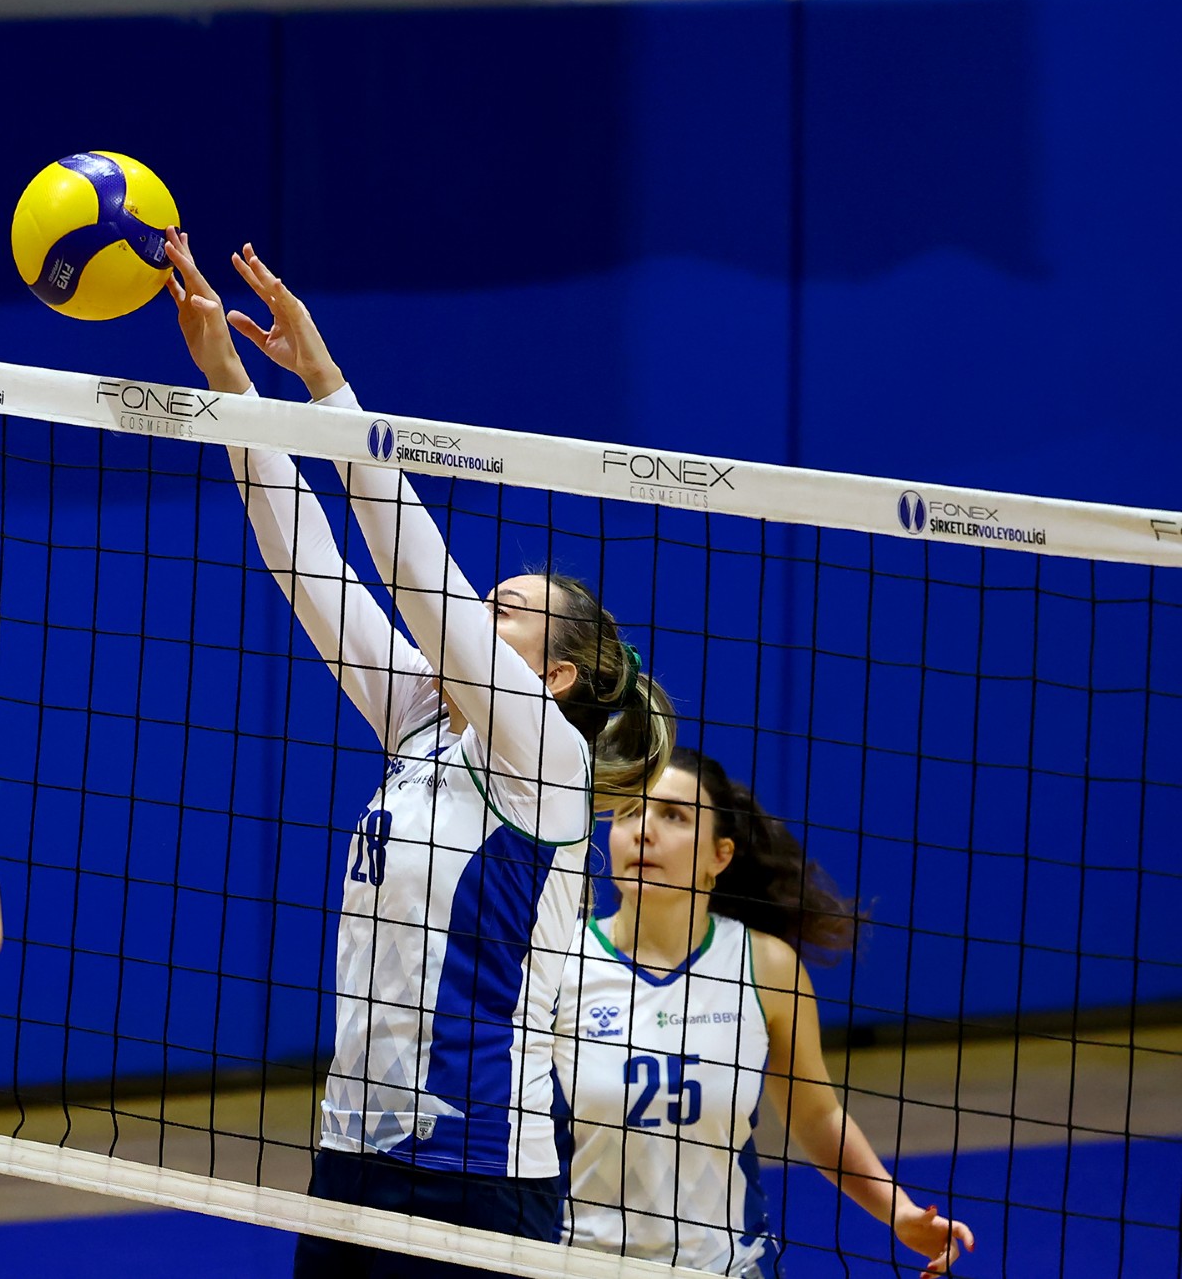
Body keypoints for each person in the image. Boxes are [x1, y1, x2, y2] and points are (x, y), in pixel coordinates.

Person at [165, 228, 675, 1275]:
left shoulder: (550, 766)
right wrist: (231, 388)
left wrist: (328, 385)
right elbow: (307, 566)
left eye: (505, 612)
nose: (480, 614)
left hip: (477, 1177)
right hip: (351, 1157)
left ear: (554, 677)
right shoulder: (425, 724)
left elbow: (421, 584)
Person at [553, 748, 975, 1277]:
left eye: (674, 816)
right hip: (572, 1264)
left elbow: (816, 1116)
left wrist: (900, 1211)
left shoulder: (766, 966)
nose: (643, 831)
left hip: (727, 1267)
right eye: (629, 813)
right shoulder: (557, 961)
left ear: (720, 855)